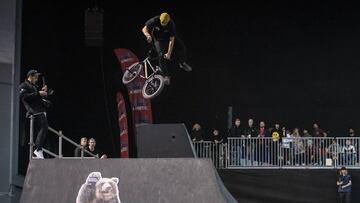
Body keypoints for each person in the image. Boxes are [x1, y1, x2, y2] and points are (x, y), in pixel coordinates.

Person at [142, 12, 192, 85]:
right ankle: (165, 76)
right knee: (161, 55)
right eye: (162, 22)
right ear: (160, 19)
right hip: (158, 39)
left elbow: (172, 40)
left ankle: (182, 63)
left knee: (182, 47)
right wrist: (148, 35)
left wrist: (169, 53)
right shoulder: (155, 20)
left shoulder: (171, 24)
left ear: (168, 21)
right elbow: (144, 29)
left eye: (165, 23)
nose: (163, 24)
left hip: (168, 38)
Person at [19, 69, 49, 159]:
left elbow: (38, 97)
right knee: (44, 127)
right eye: (36, 77)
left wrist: (44, 93)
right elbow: (24, 97)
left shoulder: (34, 86)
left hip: (39, 110)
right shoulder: (23, 85)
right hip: (34, 111)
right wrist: (39, 93)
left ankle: (37, 150)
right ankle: (38, 149)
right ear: (30, 76)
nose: (37, 79)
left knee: (41, 131)